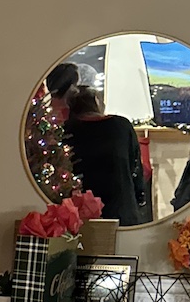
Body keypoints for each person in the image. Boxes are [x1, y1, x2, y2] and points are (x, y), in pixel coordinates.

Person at [62, 82, 147, 226]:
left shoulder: (67, 130)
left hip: (79, 212)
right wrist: (140, 197)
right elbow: (135, 166)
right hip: (121, 210)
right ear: (96, 102)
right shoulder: (121, 126)